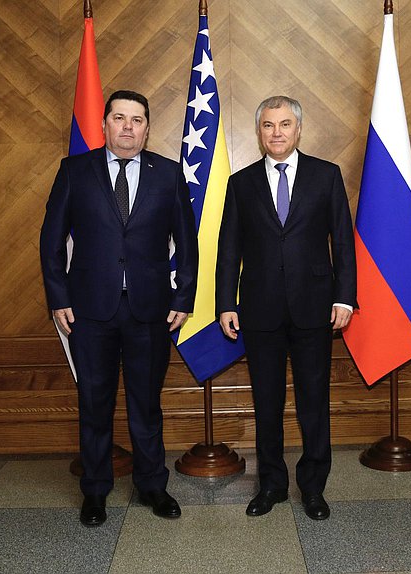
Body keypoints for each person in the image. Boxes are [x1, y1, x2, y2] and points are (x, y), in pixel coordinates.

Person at [40, 90, 198, 527]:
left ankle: (152, 486)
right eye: (120, 118)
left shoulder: (167, 175)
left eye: (138, 119)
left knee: (146, 405)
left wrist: (183, 297)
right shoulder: (75, 171)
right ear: (105, 124)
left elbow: (187, 242)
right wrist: (59, 298)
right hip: (89, 313)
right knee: (94, 403)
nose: (128, 127)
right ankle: (95, 491)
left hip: (151, 311)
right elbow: (51, 241)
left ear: (147, 127)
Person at [216, 95, 356, 521]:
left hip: (315, 309)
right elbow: (228, 250)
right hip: (259, 312)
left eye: (284, 125)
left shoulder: (326, 176)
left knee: (314, 401)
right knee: (267, 402)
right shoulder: (241, 184)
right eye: (268, 126)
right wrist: (226, 303)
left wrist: (345, 296)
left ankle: (313, 487)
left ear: (298, 130)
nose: (276, 133)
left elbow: (343, 243)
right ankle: (272, 485)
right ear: (259, 133)